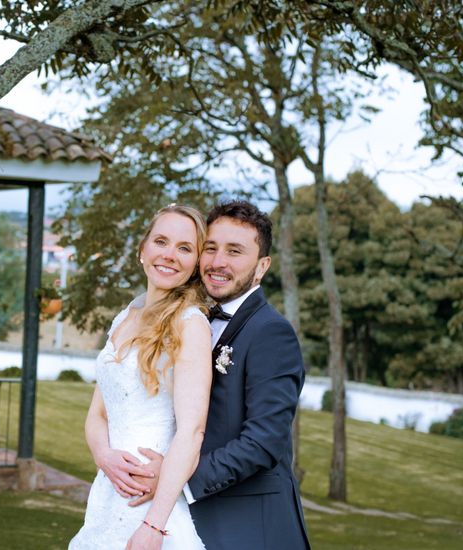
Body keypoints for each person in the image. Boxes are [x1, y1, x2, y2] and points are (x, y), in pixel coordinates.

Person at [122, 200, 311, 549]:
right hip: (183, 519)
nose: (218, 262)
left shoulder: (271, 333)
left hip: (249, 527)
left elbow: (263, 442)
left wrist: (174, 478)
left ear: (262, 266)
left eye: (235, 251)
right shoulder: (189, 318)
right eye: (211, 248)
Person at [69, 205, 213, 550]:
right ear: (142, 250)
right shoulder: (124, 318)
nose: (169, 255)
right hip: (107, 492)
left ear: (195, 264)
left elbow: (192, 432)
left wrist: (153, 525)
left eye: (184, 248)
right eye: (161, 241)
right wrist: (104, 455)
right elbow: (98, 414)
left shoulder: (190, 325)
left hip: (151, 505)